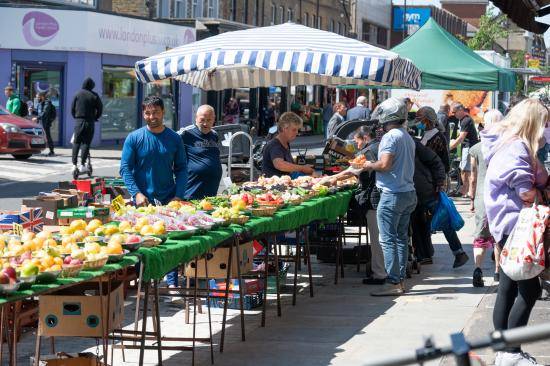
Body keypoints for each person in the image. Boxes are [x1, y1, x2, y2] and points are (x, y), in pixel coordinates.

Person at [482, 99, 548, 366]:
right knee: (529, 289)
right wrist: (544, 192)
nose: (546, 129)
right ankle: (510, 353)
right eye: (544, 123)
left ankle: (503, 350)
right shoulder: (516, 148)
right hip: (516, 225)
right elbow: (525, 192)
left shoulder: (507, 144)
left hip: (507, 224)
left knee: (508, 288)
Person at [361, 97, 417, 296]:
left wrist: (368, 165)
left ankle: (393, 282)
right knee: (401, 239)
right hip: (408, 193)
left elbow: (385, 165)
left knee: (387, 240)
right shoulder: (406, 135)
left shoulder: (390, 136)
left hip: (392, 194)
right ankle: (400, 281)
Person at [162, 105, 222, 289]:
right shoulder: (185, 135)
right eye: (202, 119)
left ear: (214, 120)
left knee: (200, 239)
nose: (205, 123)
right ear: (196, 118)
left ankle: (195, 277)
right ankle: (172, 281)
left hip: (208, 196)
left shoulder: (214, 135)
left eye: (209, 119)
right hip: (189, 194)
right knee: (181, 238)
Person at [326, 126, 385, 284]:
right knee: (387, 237)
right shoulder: (380, 146)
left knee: (376, 238)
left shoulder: (367, 152)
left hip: (374, 199)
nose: (357, 145)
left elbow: (351, 171)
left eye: (358, 141)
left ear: (365, 137)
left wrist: (330, 179)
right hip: (385, 196)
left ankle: (379, 274)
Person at [414, 106, 468, 267]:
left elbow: (440, 163)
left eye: (419, 119)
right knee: (423, 218)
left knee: (441, 217)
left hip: (432, 184)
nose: (417, 123)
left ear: (427, 120)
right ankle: (426, 253)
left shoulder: (437, 137)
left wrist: (439, 183)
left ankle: (458, 252)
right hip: (425, 183)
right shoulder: (425, 135)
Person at [120, 95, 187, 206]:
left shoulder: (175, 138)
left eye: (156, 112)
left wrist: (178, 196)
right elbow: (125, 168)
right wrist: (136, 194)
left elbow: (182, 169)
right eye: (147, 113)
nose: (152, 116)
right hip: (142, 201)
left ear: (163, 112)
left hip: (169, 201)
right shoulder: (133, 138)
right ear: (143, 114)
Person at [468, 109, 503, 288]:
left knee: (480, 237)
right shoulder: (505, 145)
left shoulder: (476, 148)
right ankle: (497, 272)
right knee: (498, 236)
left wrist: (472, 198)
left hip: (482, 197)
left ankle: (477, 269)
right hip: (500, 196)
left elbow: (473, 177)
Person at [410, 137, 447, 265]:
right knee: (419, 222)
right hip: (417, 187)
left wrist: (439, 181)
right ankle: (424, 253)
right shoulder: (410, 142)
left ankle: (423, 253)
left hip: (420, 189)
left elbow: (435, 161)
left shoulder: (413, 143)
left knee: (419, 222)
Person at [262, 111, 314, 178]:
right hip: (274, 185)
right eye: (294, 130)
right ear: (285, 128)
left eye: (297, 130)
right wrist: (302, 168)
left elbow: (288, 163)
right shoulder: (275, 145)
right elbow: (279, 164)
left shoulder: (285, 143)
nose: (297, 133)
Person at [71, 77, 103, 175]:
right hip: (89, 122)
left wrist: (76, 117)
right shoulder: (94, 95)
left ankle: (74, 164)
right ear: (92, 86)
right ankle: (82, 165)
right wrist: (96, 117)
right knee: (86, 143)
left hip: (78, 121)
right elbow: (100, 108)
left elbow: (72, 109)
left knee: (76, 143)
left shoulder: (77, 94)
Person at [450, 103, 478, 197]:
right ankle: (464, 191)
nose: (453, 114)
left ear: (461, 110)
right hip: (466, 147)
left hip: (469, 147)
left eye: (454, 112)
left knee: (467, 170)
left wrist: (450, 147)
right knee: (464, 170)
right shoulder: (462, 120)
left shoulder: (466, 120)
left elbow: (461, 138)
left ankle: (469, 191)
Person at [32, 91, 56, 157]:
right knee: (37, 136)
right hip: (40, 122)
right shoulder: (40, 103)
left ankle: (52, 151)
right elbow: (38, 113)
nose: (37, 98)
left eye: (38, 97)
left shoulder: (47, 103)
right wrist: (32, 111)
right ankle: (36, 150)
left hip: (45, 123)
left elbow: (44, 113)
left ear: (42, 97)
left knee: (47, 136)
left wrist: (37, 118)